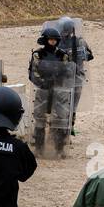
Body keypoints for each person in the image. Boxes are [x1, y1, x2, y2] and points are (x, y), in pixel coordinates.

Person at [28, 24, 73, 156]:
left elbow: (69, 71)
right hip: (42, 90)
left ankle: (59, 148)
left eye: (55, 39)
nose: (53, 42)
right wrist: (42, 82)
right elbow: (33, 72)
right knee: (40, 118)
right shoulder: (38, 54)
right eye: (50, 39)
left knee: (60, 118)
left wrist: (61, 75)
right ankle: (39, 147)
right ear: (45, 40)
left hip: (59, 90)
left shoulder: (62, 55)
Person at [59, 15, 94, 135]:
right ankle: (65, 127)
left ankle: (70, 126)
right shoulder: (57, 42)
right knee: (65, 104)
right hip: (64, 78)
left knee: (72, 105)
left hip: (75, 78)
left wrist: (82, 54)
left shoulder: (79, 42)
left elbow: (90, 55)